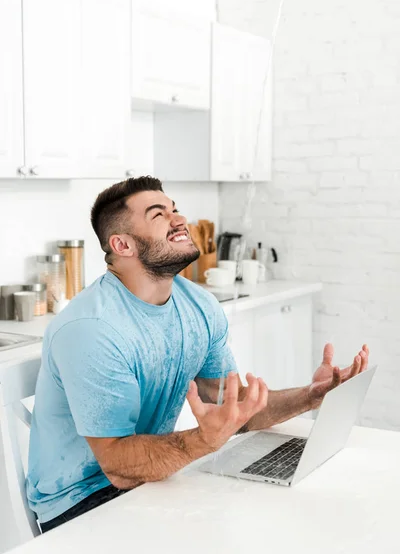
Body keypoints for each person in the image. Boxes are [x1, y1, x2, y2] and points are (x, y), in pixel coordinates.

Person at [26, 176, 369, 532]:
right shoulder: (93, 328)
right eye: (159, 214)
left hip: (148, 479)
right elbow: (115, 465)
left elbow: (233, 410)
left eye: (175, 209)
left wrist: (311, 397)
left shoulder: (198, 305)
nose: (179, 220)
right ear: (122, 244)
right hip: (82, 503)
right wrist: (204, 441)